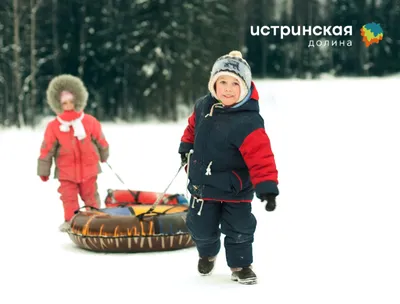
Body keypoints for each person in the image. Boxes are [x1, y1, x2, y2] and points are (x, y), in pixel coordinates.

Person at [178, 50, 279, 285]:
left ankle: (241, 265)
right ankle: (207, 252)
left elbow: (261, 156)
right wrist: (185, 146)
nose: (228, 88)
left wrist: (267, 186)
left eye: (235, 83)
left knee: (239, 229)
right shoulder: (203, 106)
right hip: (203, 185)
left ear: (245, 86)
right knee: (200, 227)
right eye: (222, 82)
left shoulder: (248, 121)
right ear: (214, 83)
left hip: (236, 187)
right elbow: (192, 128)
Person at [37, 74, 109, 232]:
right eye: (64, 103)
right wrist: (44, 169)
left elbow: (100, 140)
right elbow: (47, 149)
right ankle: (71, 220)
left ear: (78, 100)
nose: (68, 105)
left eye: (71, 101)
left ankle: (94, 219)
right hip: (66, 171)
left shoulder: (89, 121)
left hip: (89, 168)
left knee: (90, 195)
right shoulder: (54, 126)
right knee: (68, 197)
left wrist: (104, 154)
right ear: (58, 103)